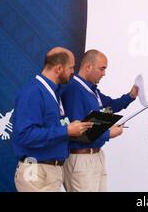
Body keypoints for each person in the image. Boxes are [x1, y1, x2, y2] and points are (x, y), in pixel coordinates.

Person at [12, 47, 94, 192]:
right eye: (71, 68)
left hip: (51, 171)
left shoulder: (54, 91)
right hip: (36, 172)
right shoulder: (33, 92)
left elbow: (53, 127)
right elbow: (25, 135)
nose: (72, 72)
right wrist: (66, 131)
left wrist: (71, 129)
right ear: (59, 68)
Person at [61, 49, 138, 192]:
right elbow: (78, 131)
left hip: (96, 155)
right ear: (88, 66)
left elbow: (110, 106)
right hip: (80, 158)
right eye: (102, 68)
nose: (104, 73)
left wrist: (131, 96)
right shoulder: (74, 90)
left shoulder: (92, 90)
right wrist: (108, 133)